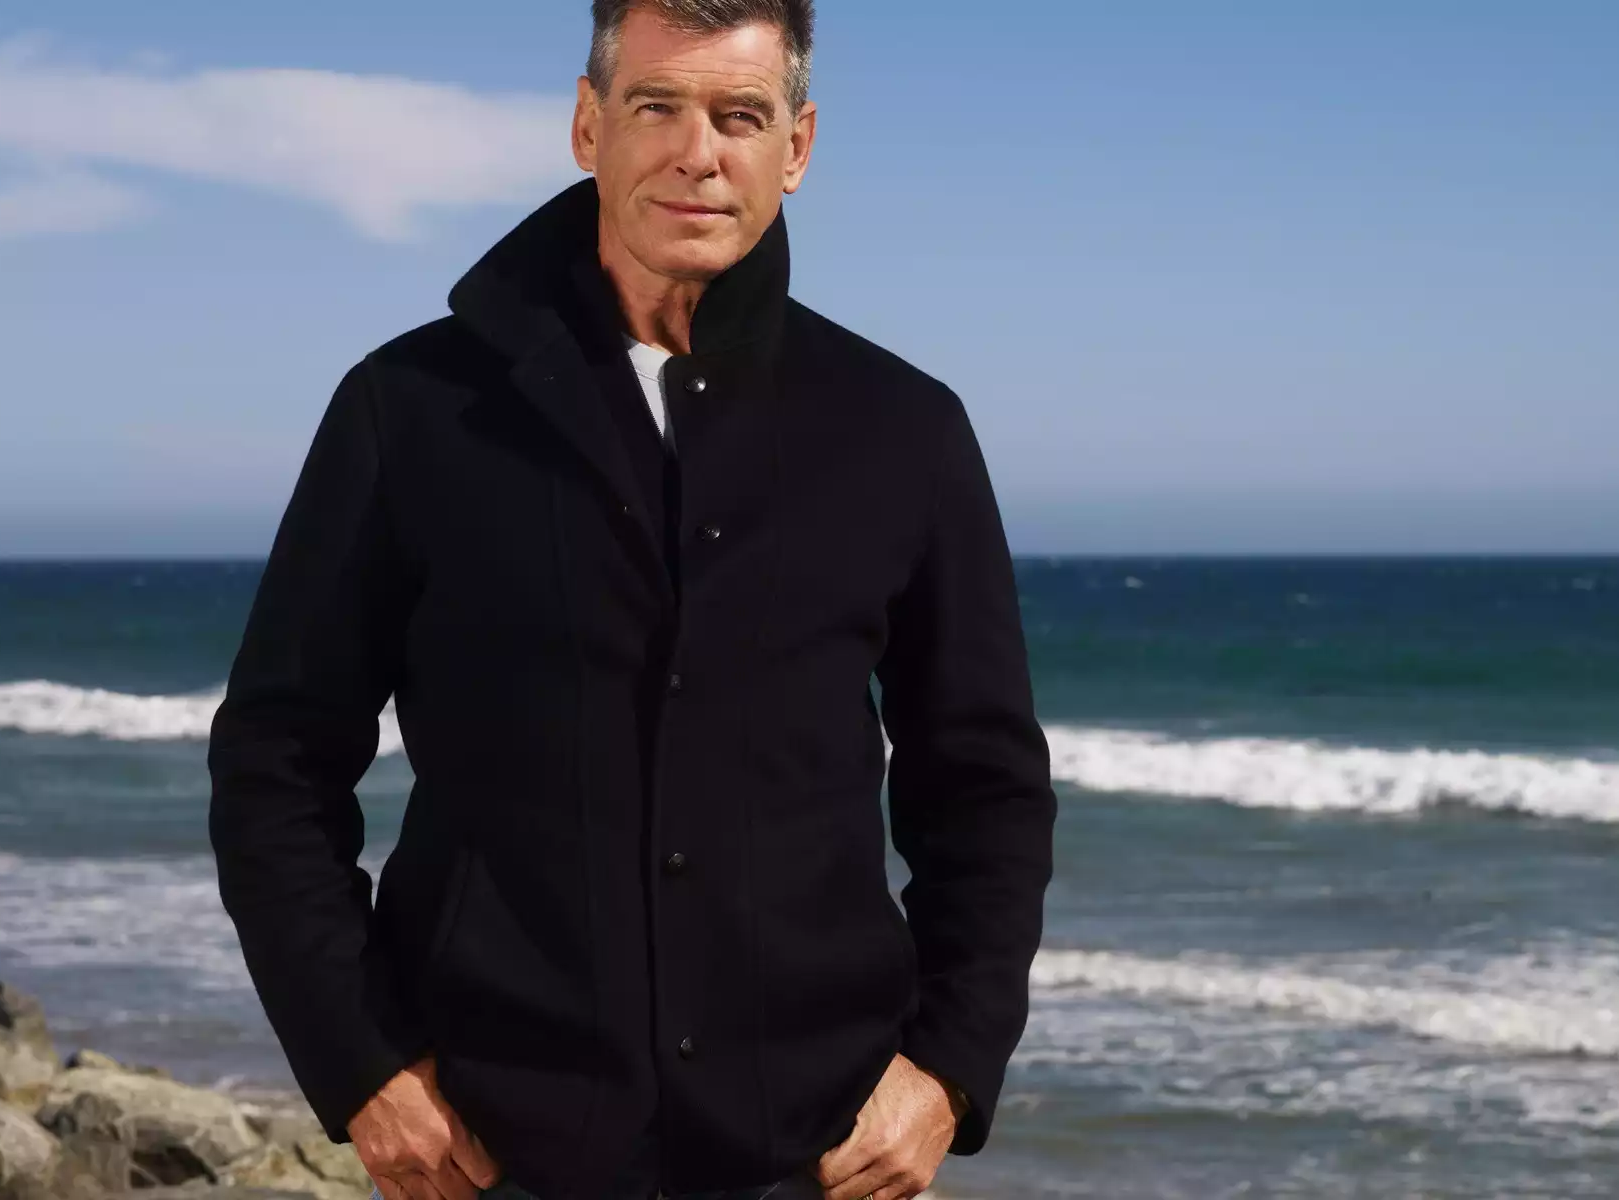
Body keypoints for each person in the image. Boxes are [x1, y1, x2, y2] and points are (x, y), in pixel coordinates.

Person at [205, 2, 1058, 1198]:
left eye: (740, 116)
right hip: (490, 1150)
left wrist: (947, 1071)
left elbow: (984, 789)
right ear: (587, 124)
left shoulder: (903, 430)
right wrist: (362, 1066)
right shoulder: (410, 411)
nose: (696, 153)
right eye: (657, 105)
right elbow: (276, 763)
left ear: (797, 148)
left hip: (816, 1154)